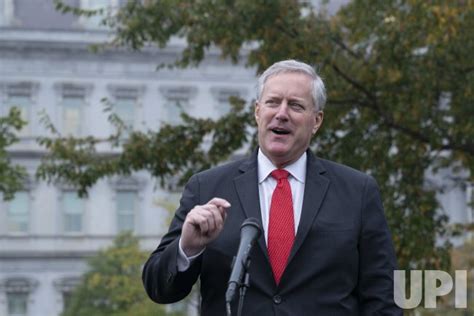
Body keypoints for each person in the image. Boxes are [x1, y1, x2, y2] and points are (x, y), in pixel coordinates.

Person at [143, 59, 402, 315]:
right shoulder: (207, 187)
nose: (282, 113)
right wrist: (187, 248)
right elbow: (159, 288)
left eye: (296, 106)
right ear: (257, 112)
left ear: (316, 121)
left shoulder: (357, 191)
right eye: (273, 102)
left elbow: (384, 297)